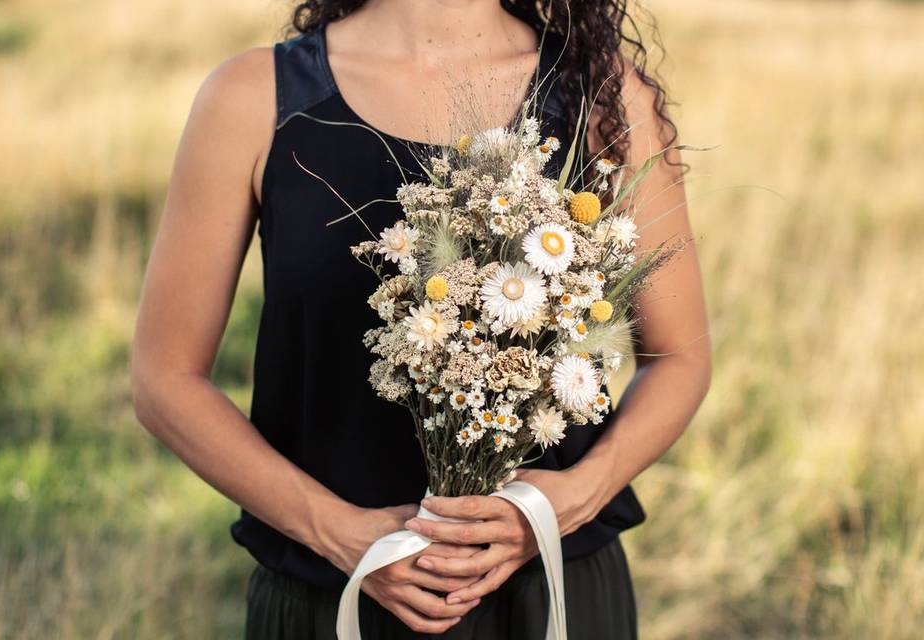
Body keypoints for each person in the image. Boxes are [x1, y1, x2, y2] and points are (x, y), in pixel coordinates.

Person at [131, 1, 711, 637]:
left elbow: (679, 357)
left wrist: (570, 499)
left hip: (552, 595)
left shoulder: (601, 91)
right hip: (332, 599)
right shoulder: (251, 99)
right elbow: (165, 380)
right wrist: (339, 533)